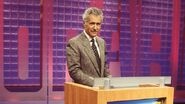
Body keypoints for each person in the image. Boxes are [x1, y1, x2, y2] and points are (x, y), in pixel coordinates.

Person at [66, 7, 111, 87]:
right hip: (85, 92)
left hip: (101, 92)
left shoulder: (102, 42)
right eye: (92, 23)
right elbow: (74, 71)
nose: (95, 28)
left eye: (98, 24)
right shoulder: (74, 43)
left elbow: (104, 66)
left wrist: (110, 81)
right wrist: (95, 83)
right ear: (84, 24)